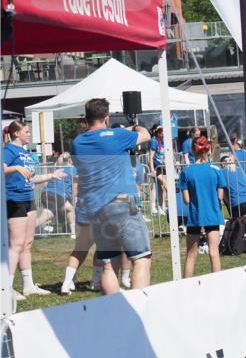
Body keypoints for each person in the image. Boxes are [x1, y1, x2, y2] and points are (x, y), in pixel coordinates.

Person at [71, 98, 152, 295]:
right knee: (141, 259)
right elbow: (146, 135)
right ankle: (138, 307)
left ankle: (114, 311)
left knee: (108, 263)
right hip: (122, 203)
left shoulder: (77, 143)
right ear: (106, 118)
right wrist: (134, 126)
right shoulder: (117, 135)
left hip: (96, 209)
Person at [4, 121, 67, 298]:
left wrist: (52, 175)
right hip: (14, 200)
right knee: (16, 244)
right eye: (26, 131)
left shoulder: (25, 153)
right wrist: (15, 167)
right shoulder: (8, 150)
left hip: (28, 199)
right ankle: (6, 289)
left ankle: (28, 285)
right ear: (16, 134)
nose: (29, 134)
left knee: (27, 243)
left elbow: (31, 178)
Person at [179, 136, 226, 277]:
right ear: (208, 149)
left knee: (191, 255)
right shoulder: (216, 169)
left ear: (193, 150)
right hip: (212, 214)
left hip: (195, 216)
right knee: (214, 252)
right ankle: (217, 285)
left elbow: (186, 200)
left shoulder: (186, 172)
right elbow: (220, 196)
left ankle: (187, 286)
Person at [37, 151, 77, 236]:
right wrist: (73, 199)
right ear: (70, 160)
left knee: (46, 215)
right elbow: (74, 186)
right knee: (70, 209)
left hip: (45, 193)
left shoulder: (57, 168)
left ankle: (29, 228)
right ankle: (73, 233)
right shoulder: (73, 169)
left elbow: (46, 183)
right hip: (58, 195)